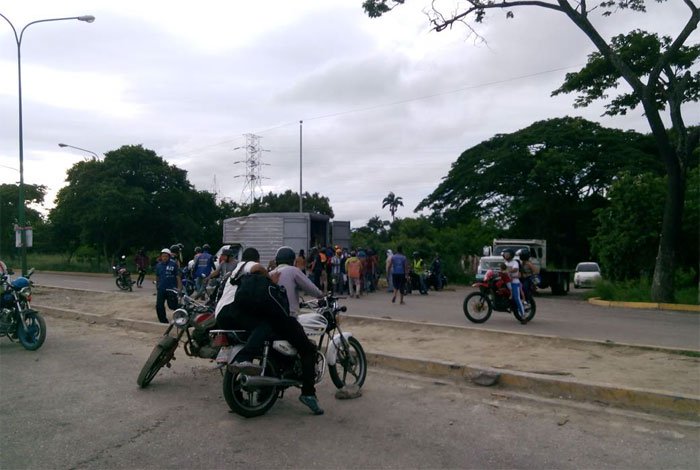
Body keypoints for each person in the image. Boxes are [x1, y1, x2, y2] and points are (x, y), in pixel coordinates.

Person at [217, 247, 325, 415]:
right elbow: (313, 290)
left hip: (259, 315)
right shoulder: (291, 271)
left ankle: (264, 392)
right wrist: (323, 296)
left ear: (276, 258)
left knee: (270, 344)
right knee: (308, 350)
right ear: (292, 259)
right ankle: (309, 393)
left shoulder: (268, 271)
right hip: (283, 316)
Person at [154, 248, 182, 324]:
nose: (164, 258)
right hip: (161, 289)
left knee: (172, 305)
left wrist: (179, 288)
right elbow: (157, 276)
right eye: (163, 256)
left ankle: (181, 316)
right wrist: (157, 285)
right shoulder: (158, 265)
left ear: (169, 256)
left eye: (166, 256)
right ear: (161, 257)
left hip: (172, 289)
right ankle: (163, 320)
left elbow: (178, 276)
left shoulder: (174, 264)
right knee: (159, 305)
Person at [503, 248, 526, 323]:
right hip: (507, 282)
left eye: (507, 254)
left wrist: (508, 271)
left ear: (511, 255)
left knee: (517, 298)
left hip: (515, 282)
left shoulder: (515, 262)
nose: (505, 255)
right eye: (505, 253)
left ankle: (523, 316)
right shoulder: (505, 263)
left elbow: (515, 269)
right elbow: (501, 270)